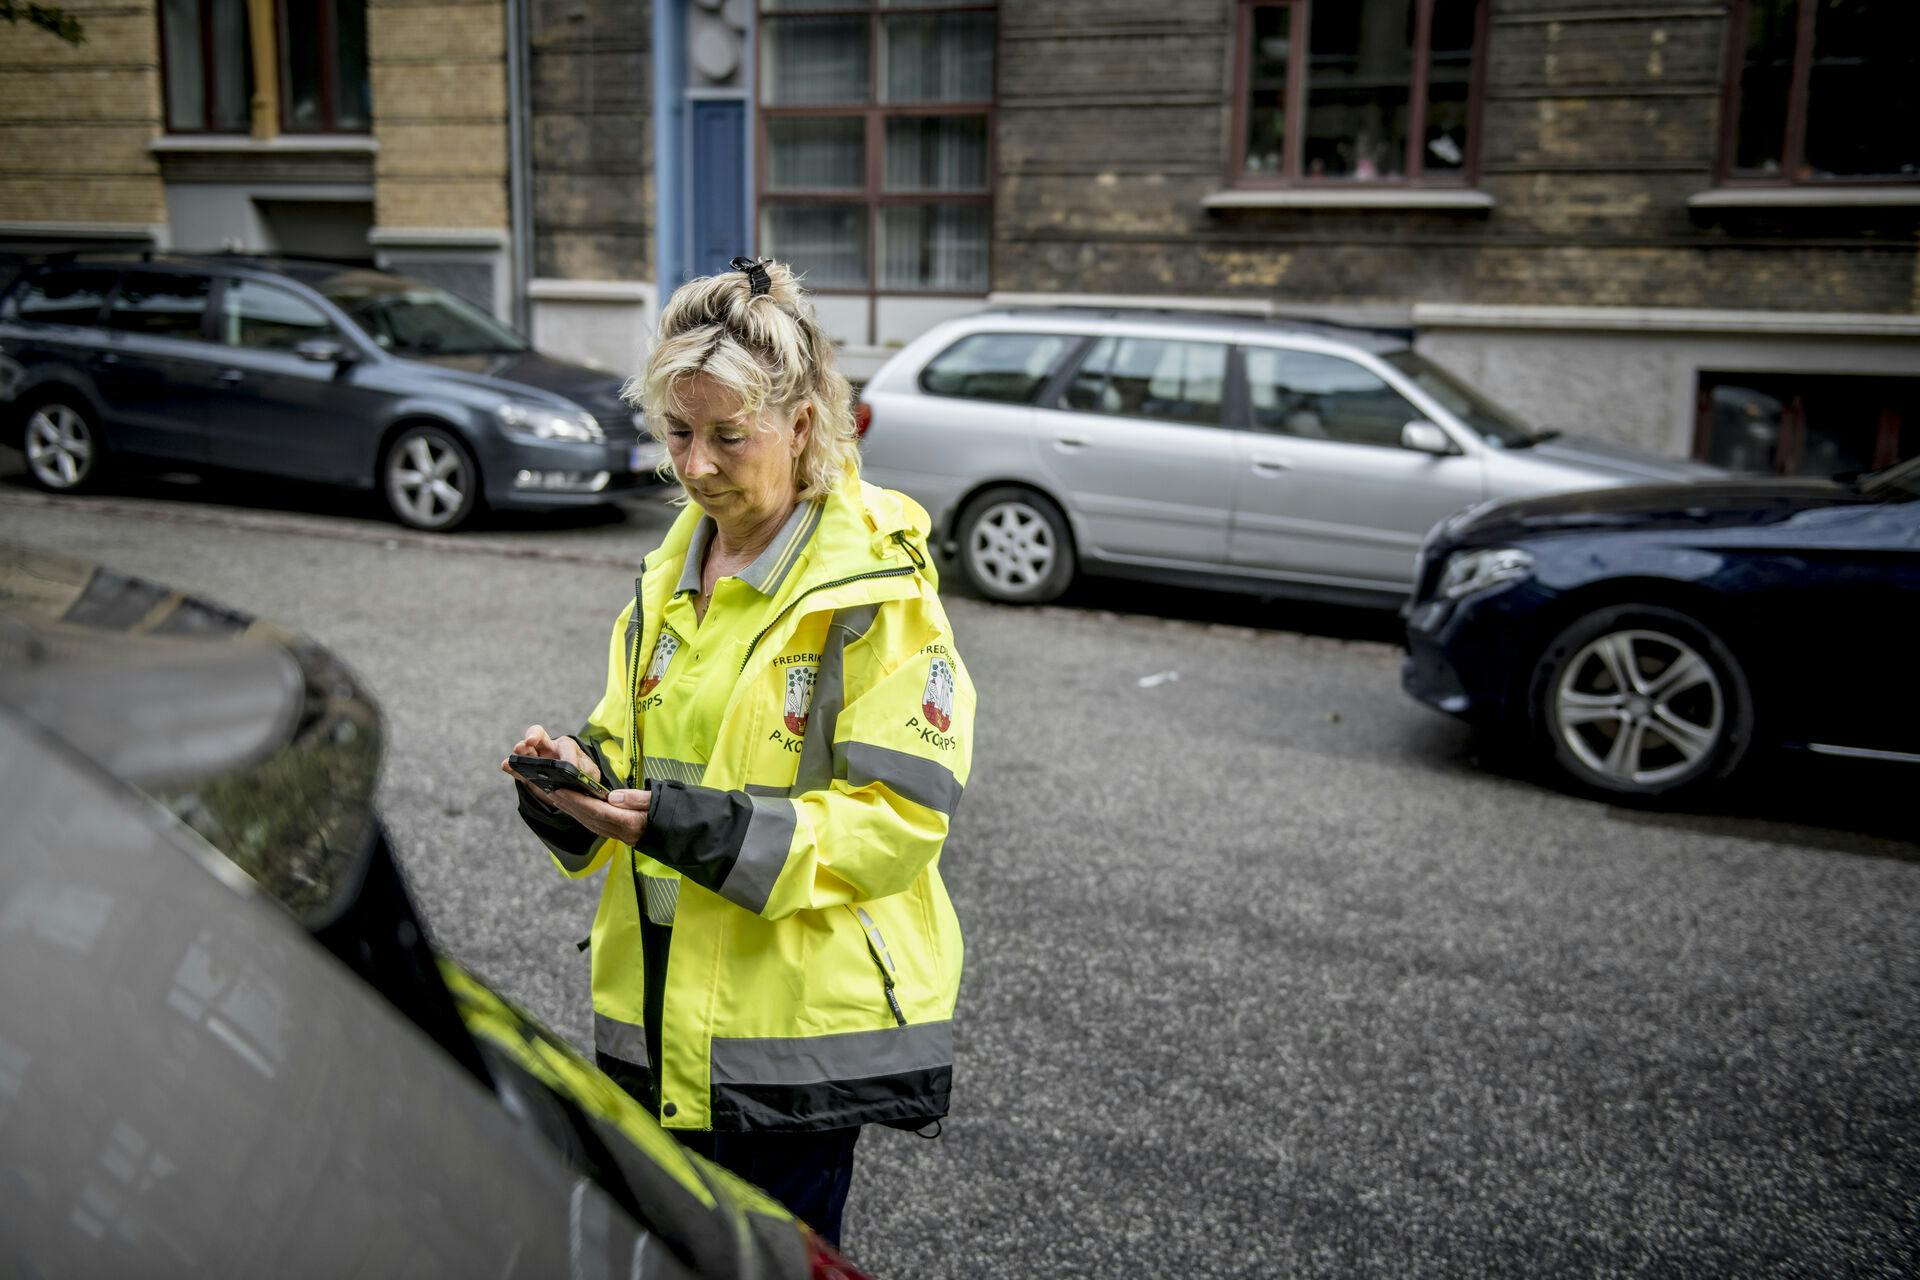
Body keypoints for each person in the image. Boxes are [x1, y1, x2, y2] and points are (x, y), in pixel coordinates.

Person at [501, 256, 972, 1248]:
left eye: (728, 436)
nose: (696, 465)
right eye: (677, 431)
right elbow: (631, 747)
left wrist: (691, 827)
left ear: (802, 425)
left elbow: (901, 819)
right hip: (659, 1006)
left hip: (786, 1039)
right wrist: (571, 782)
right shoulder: (674, 562)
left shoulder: (875, 590)